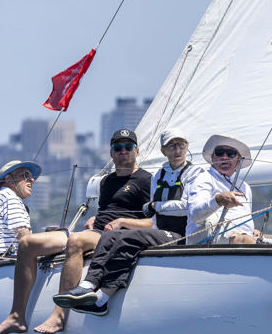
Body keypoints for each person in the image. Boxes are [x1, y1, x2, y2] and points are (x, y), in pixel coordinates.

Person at [0, 129, 152, 334]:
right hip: (99, 231)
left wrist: (123, 222)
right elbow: (106, 211)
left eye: (128, 147)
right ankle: (16, 316)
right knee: (26, 244)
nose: (123, 151)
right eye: (118, 148)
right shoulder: (106, 182)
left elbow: (153, 222)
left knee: (76, 240)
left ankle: (59, 315)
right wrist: (94, 219)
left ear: (137, 150)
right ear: (111, 153)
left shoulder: (147, 180)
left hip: (119, 234)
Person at [52, 129, 200, 315]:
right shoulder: (160, 175)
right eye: (171, 146)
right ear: (164, 151)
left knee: (128, 238)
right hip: (159, 230)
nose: (177, 150)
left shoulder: (195, 173)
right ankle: (88, 284)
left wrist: (158, 206)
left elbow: (191, 207)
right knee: (112, 236)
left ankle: (102, 300)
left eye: (181, 145)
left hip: (180, 234)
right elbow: (151, 212)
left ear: (187, 147)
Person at [184, 134, 257, 245]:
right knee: (247, 241)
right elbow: (194, 214)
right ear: (212, 157)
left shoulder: (244, 186)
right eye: (219, 152)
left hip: (238, 237)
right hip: (205, 238)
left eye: (230, 154)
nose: (224, 157)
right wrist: (218, 200)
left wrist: (249, 231)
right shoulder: (203, 178)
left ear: (238, 161)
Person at [0, 159, 41, 257]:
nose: (32, 180)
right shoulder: (8, 196)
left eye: (31, 176)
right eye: (25, 175)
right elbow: (25, 238)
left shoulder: (2, 196)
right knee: (66, 239)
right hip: (4, 260)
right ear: (9, 180)